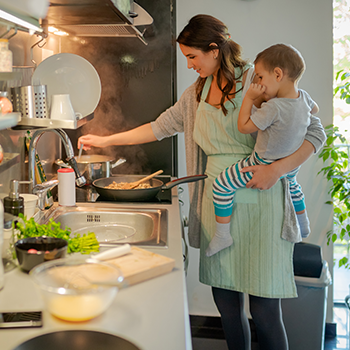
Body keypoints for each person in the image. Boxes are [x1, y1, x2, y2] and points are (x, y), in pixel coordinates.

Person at [78, 15, 326, 350]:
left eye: (193, 57)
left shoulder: (259, 79)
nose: (190, 65)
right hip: (218, 204)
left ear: (214, 49)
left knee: (266, 310)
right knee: (227, 307)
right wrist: (104, 141)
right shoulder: (195, 93)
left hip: (262, 204)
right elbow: (159, 126)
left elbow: (314, 130)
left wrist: (278, 170)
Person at [209, 44, 320, 257]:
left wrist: (250, 99)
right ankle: (303, 224)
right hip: (290, 164)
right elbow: (315, 110)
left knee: (222, 185)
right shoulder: (304, 98)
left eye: (260, 77)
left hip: (263, 162)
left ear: (278, 74)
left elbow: (244, 127)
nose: (258, 83)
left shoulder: (274, 107)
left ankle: (223, 235)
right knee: (293, 187)